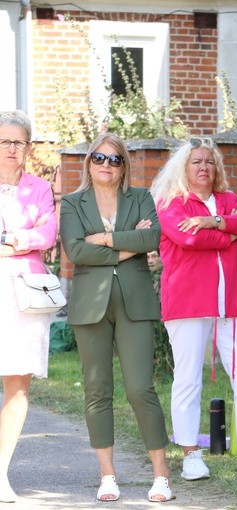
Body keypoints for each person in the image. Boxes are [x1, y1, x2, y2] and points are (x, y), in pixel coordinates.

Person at [150, 137, 237, 480]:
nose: (204, 168)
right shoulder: (171, 202)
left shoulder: (228, 200)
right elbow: (187, 239)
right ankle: (190, 455)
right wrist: (230, 236)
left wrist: (215, 222)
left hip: (232, 305)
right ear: (184, 167)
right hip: (187, 303)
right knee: (188, 378)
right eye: (196, 162)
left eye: (209, 162)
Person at [60, 133, 174, 502]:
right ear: (88, 162)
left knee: (141, 388)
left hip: (135, 302)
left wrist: (105, 241)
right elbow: (76, 249)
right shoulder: (73, 203)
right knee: (97, 390)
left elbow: (153, 238)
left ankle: (161, 476)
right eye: (99, 158)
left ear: (124, 164)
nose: (106, 165)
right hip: (90, 305)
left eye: (114, 159)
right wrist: (127, 245)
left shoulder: (140, 197)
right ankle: (107, 476)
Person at [0, 110, 57, 502]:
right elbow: (36, 233)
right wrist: (27, 236)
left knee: (18, 383)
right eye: (4, 141)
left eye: (18, 142)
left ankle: (0, 471)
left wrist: (12, 239)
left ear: (29, 148)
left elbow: (49, 231)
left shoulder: (39, 188)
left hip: (25, 291)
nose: (11, 148)